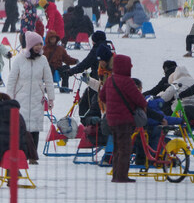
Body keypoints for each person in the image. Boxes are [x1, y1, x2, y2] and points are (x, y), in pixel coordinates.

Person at [98, 54, 147, 183]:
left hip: (112, 120)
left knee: (116, 148)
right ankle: (121, 176)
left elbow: (102, 96)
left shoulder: (110, 80)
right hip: (125, 120)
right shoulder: (127, 82)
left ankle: (116, 174)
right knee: (125, 148)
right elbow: (140, 100)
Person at [6, 31, 54, 163]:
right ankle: (23, 155)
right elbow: (11, 80)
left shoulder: (43, 60)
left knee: (35, 129)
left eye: (40, 44)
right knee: (22, 129)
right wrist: (9, 99)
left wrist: (51, 98)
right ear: (30, 45)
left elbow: (49, 80)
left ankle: (33, 157)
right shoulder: (19, 59)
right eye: (36, 44)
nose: (39, 47)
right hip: (21, 99)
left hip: (37, 98)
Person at [63, 30, 114, 118]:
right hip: (99, 81)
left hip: (97, 80)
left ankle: (89, 124)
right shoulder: (108, 48)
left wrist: (71, 71)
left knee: (87, 104)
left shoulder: (97, 50)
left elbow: (85, 64)